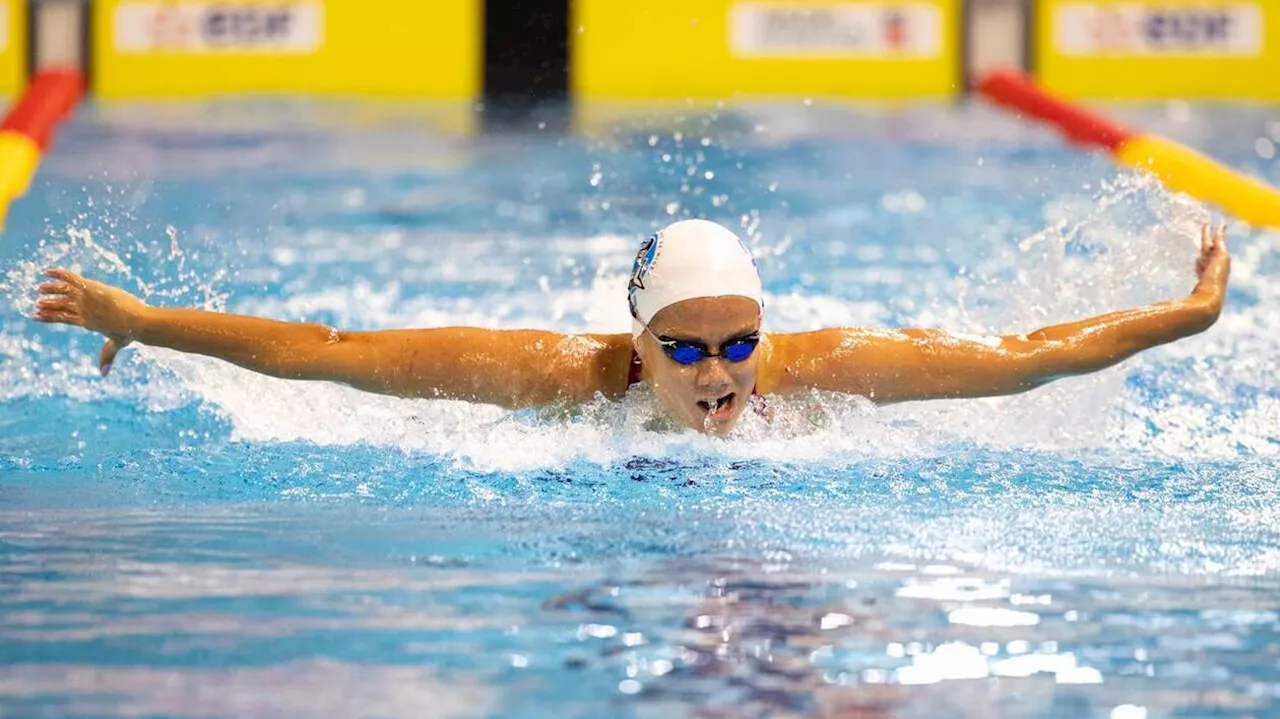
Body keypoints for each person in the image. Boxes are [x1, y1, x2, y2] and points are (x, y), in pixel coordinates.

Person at [30, 218, 1231, 436]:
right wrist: (148, 321)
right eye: (692, 349)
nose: (724, 377)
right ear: (638, 344)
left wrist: (1183, 317)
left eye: (739, 343)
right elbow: (330, 353)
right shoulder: (551, 379)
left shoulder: (825, 375)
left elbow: (1026, 362)